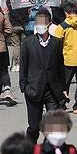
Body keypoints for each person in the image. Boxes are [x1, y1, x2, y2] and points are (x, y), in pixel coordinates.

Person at [19, 9, 67, 141]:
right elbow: (24, 65)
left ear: (49, 24)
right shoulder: (28, 43)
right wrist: (24, 86)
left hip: (52, 90)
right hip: (34, 89)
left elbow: (60, 66)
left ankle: (48, 150)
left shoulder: (56, 42)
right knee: (34, 126)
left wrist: (63, 88)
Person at [53, 2, 77, 114]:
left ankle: (62, 105)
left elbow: (56, 43)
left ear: (66, 13)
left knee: (64, 83)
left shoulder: (62, 26)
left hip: (68, 59)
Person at [7, 0, 27, 72]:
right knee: (24, 45)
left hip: (14, 25)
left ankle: (17, 64)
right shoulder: (25, 1)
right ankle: (24, 63)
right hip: (24, 25)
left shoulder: (11, 1)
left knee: (16, 46)